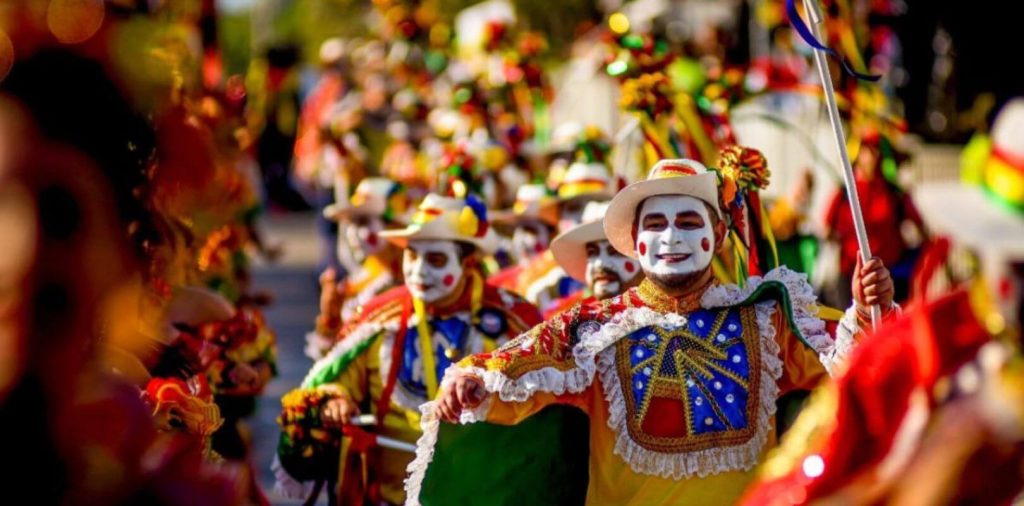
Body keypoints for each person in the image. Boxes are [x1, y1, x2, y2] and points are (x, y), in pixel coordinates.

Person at [411, 158, 898, 505]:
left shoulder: (769, 321)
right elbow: (513, 369)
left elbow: (852, 369)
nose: (670, 238)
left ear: (718, 235)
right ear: (636, 242)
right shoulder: (595, 326)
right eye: (657, 225)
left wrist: (866, 306)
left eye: (688, 222)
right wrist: (470, 379)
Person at [276, 194, 542, 505]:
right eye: (412, 256)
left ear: (468, 263)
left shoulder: (515, 320)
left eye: (436, 260)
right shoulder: (378, 318)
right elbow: (333, 380)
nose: (418, 271)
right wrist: (336, 399)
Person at [307, 177, 408, 359]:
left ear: (394, 226)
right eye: (351, 223)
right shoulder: (359, 280)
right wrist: (330, 318)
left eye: (362, 222)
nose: (352, 232)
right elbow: (332, 357)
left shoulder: (414, 283)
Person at [545, 201, 644, 317]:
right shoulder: (572, 322)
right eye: (592, 253)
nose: (600, 264)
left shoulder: (665, 313)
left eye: (614, 252)